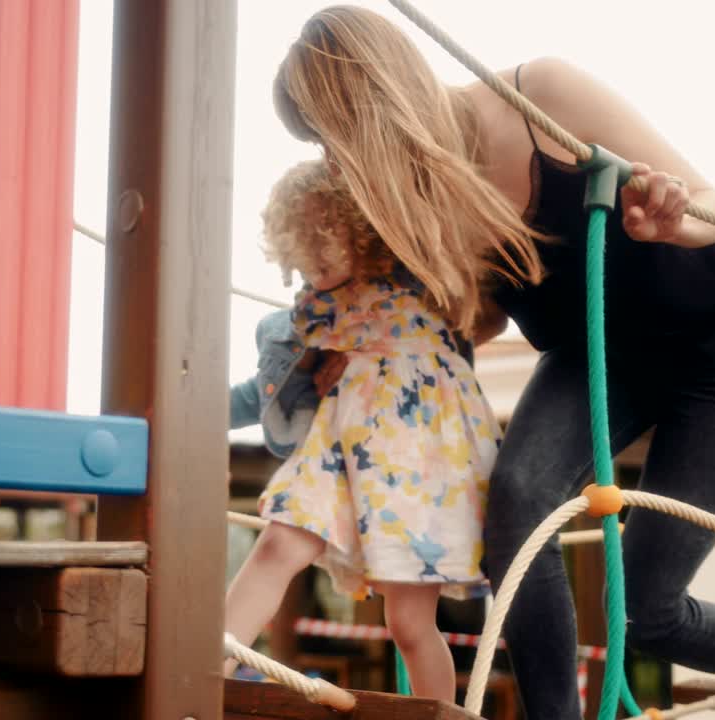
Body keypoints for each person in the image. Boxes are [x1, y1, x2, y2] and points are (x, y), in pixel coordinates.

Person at [272, 6, 715, 717]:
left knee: (645, 610)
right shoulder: (417, 206)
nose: (335, 161)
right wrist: (361, 351)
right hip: (594, 357)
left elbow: (714, 198)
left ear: (374, 101)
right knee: (513, 507)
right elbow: (473, 321)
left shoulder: (540, 95)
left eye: (333, 137)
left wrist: (679, 216)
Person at [223, 158, 530, 701]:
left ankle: (437, 715)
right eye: (301, 252)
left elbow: (476, 267)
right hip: (342, 456)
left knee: (410, 625)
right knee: (277, 542)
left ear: (364, 228)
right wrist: (188, 410)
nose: (313, 263)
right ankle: (208, 666)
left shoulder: (430, 278)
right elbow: (259, 393)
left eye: (324, 243)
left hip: (421, 458)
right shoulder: (311, 314)